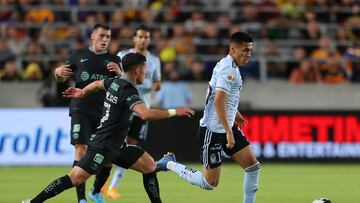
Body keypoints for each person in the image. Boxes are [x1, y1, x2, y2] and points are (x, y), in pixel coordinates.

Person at [21, 53, 194, 203]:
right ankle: (34, 201)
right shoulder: (127, 90)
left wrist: (83, 92)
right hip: (102, 146)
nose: (146, 72)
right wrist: (175, 111)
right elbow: (145, 114)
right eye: (145, 68)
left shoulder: (116, 82)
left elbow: (97, 84)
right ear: (138, 71)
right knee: (74, 178)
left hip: (117, 146)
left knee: (149, 166)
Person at [156, 32, 260, 203]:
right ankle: (169, 163)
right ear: (233, 48)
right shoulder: (229, 69)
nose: (248, 54)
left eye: (250, 50)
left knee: (252, 166)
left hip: (225, 125)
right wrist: (229, 131)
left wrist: (236, 113)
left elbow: (223, 97)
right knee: (209, 183)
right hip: (213, 131)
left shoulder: (228, 65)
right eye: (245, 50)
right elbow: (219, 100)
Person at [53, 23, 122, 203]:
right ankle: (81, 199)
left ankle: (95, 191)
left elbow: (123, 86)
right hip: (81, 109)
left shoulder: (114, 60)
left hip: (105, 113)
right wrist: (57, 72)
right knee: (81, 149)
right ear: (93, 36)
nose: (105, 40)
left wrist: (120, 73)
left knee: (107, 159)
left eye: (108, 37)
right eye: (102, 36)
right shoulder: (78, 56)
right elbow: (62, 76)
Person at [105, 24, 162, 199]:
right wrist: (134, 80)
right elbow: (115, 79)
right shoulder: (123, 56)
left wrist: (147, 83)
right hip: (122, 108)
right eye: (141, 37)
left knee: (131, 148)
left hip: (141, 109)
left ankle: (112, 187)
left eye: (146, 37)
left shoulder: (154, 61)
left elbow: (158, 84)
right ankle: (102, 183)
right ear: (134, 39)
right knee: (113, 145)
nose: (143, 40)